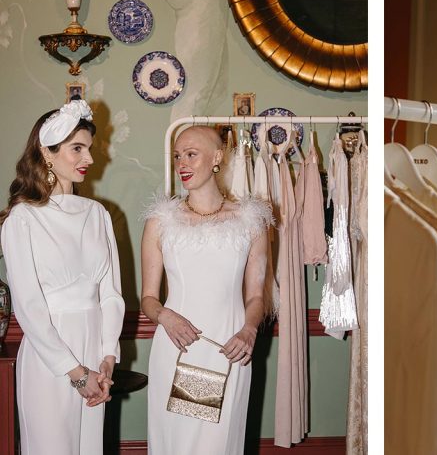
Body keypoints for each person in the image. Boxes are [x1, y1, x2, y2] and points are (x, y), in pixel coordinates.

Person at [0, 99, 125, 455]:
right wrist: (76, 373)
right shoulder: (22, 219)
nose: (88, 159)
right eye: (77, 149)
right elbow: (29, 306)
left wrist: (106, 357)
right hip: (50, 358)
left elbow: (112, 294)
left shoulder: (98, 214)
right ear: (47, 153)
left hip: (95, 351)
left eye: (89, 149)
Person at [141, 126, 272, 454]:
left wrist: (249, 330)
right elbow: (147, 299)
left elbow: (257, 296)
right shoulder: (161, 222)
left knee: (217, 445)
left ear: (216, 157)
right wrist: (164, 315)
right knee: (180, 443)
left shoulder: (249, 221)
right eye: (177, 156)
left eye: (191, 154)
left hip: (228, 349)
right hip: (179, 348)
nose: (181, 163)